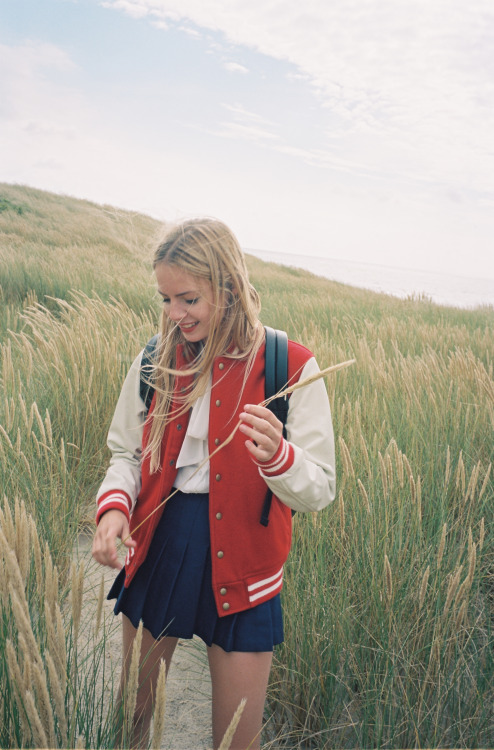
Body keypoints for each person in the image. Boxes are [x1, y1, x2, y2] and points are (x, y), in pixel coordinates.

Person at [92, 218, 336, 750]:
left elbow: (320, 489)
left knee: (236, 742)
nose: (174, 315)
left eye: (188, 299)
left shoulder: (290, 366)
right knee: (132, 724)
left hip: (249, 564)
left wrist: (279, 457)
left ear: (227, 289)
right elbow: (125, 453)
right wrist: (113, 511)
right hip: (159, 544)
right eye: (165, 299)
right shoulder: (154, 359)